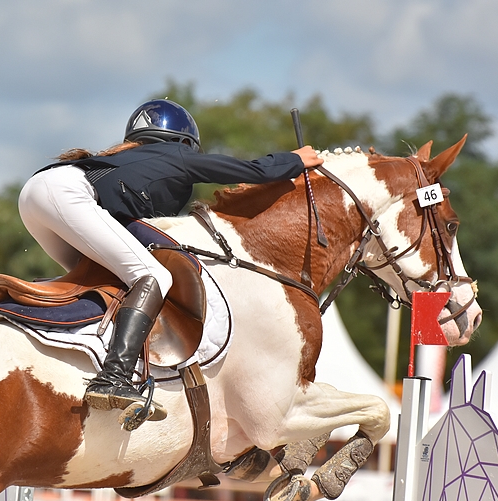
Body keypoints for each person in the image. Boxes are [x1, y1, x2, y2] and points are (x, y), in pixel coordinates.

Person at [18, 98, 323, 424]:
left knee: (101, 280)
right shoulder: (177, 155)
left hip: (33, 196)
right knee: (154, 277)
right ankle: (113, 378)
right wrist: (293, 160)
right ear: (184, 141)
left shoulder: (128, 159)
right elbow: (247, 171)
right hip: (67, 194)